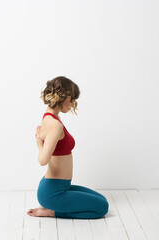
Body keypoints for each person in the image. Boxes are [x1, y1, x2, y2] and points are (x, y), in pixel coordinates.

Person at [27, 76, 109, 219]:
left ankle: (53, 207)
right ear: (62, 97)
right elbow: (42, 160)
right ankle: (52, 211)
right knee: (102, 208)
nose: (71, 104)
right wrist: (39, 145)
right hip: (53, 192)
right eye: (71, 99)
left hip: (61, 186)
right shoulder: (55, 125)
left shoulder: (50, 118)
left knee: (101, 199)